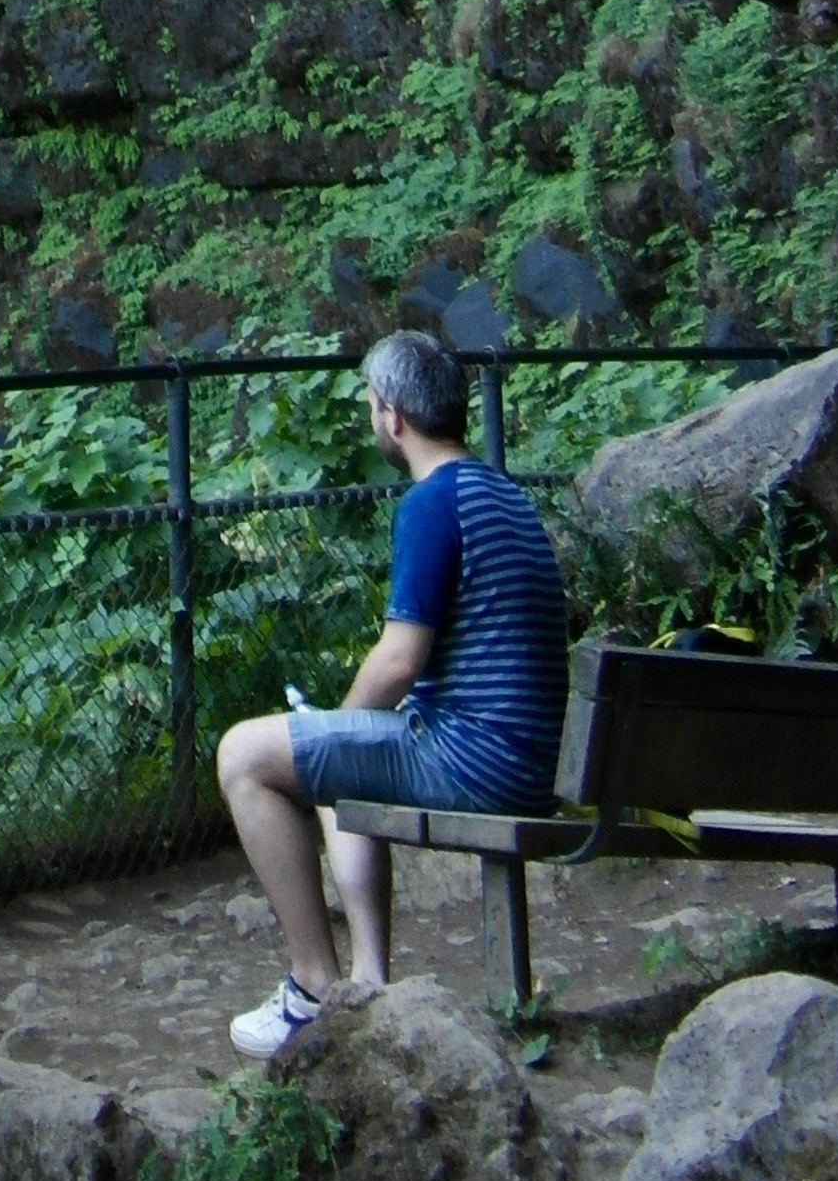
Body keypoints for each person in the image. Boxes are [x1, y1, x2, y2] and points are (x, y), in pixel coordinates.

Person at [213, 326, 572, 1063]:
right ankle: (369, 981)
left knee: (244, 755)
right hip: (525, 760)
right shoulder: (503, 495)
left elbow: (401, 659)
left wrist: (340, 722)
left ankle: (313, 985)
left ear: (394, 417)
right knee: (333, 753)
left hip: (473, 762)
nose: (373, 415)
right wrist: (339, 731)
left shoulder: (432, 504)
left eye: (372, 403)